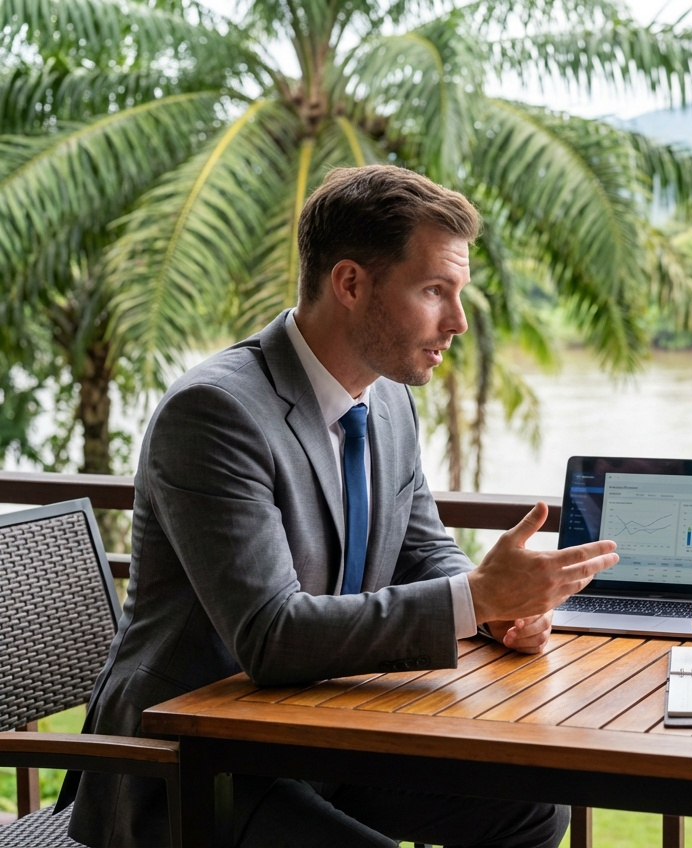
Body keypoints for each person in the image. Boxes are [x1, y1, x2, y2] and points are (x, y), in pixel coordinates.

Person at [66, 164, 619, 848]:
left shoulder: (387, 400)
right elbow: (270, 634)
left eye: (459, 293)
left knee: (533, 810)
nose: (459, 320)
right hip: (192, 760)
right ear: (351, 283)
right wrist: (472, 599)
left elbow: (422, 550)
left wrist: (499, 611)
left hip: (319, 730)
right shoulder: (214, 413)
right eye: (433, 290)